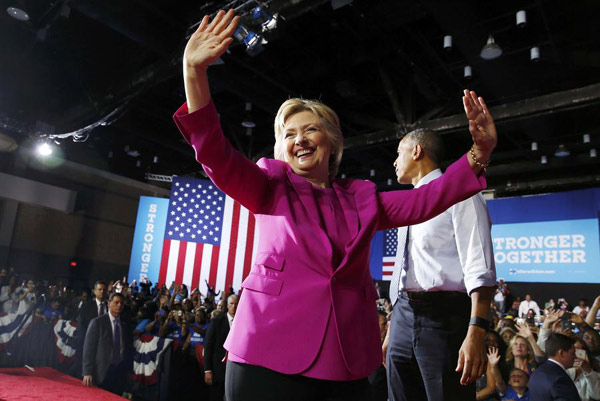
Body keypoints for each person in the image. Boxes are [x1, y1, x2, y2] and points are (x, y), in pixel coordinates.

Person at [174, 9, 496, 401]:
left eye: (310, 129)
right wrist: (195, 74)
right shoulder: (268, 185)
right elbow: (216, 154)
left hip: (344, 357)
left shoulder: (361, 198)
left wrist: (478, 153)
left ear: (332, 142)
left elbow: (427, 200)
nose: (300, 139)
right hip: (265, 349)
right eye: (289, 134)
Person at [384, 127, 497, 401]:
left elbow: (479, 266)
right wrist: (392, 327)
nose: (395, 161)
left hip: (444, 318)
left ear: (416, 150)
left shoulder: (462, 194)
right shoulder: (407, 202)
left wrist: (476, 332)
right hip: (402, 315)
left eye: (399, 153)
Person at [82, 292, 133, 395]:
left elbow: (128, 348)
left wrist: (128, 370)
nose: (119, 305)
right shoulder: (98, 322)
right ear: (109, 304)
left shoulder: (125, 324)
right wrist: (87, 372)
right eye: (116, 302)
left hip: (120, 371)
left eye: (121, 303)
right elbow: (89, 348)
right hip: (102, 371)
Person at [204, 294, 238, 401]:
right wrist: (208, 370)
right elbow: (208, 347)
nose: (234, 306)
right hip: (218, 371)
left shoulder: (244, 322)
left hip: (236, 371)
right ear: (227, 305)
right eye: (231, 304)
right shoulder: (217, 322)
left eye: (236, 304)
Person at [529, 333, 581, 401]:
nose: (575, 357)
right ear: (561, 353)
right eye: (573, 353)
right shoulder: (560, 379)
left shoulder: (536, 373)